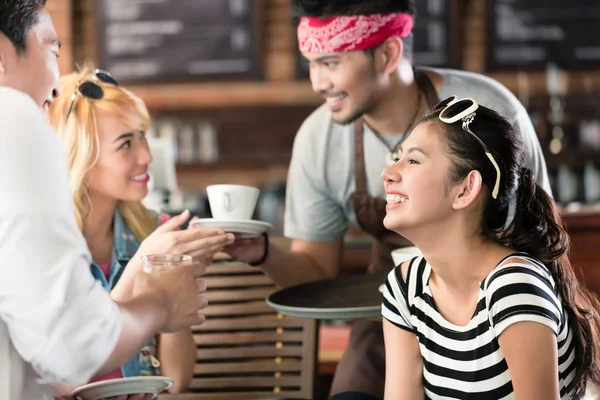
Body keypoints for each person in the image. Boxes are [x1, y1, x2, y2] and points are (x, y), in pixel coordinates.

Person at [225, 0, 552, 398]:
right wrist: (260, 251)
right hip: (389, 316)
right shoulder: (319, 140)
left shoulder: (482, 112)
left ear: (388, 53)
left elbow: (542, 234)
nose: (317, 82)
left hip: (494, 314)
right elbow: (316, 272)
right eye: (311, 64)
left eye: (330, 63)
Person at [0, 1, 207, 399]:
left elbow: (42, 351)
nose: (57, 86)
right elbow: (74, 347)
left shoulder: (154, 226)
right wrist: (159, 300)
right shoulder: (13, 117)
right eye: (51, 49)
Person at [381, 96, 600, 399]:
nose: (388, 174)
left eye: (414, 160)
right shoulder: (404, 288)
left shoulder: (514, 287)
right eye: (397, 157)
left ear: (466, 189)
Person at [46, 65, 235, 393]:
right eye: (125, 145)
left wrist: (179, 280)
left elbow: (177, 379)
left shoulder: (155, 232)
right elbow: (59, 383)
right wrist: (139, 271)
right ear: (80, 157)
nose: (146, 156)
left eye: (143, 136)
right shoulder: (42, 248)